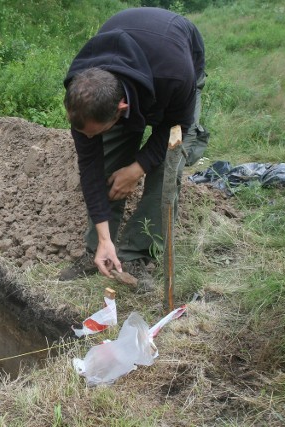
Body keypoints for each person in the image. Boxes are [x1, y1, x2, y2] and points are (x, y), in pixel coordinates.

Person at [59, 7, 208, 287]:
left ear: (120, 109)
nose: (89, 138)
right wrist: (103, 237)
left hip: (174, 61)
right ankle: (99, 249)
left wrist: (137, 168)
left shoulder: (175, 75)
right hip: (133, 61)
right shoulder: (82, 96)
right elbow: (91, 167)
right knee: (110, 164)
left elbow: (177, 127)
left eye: (97, 131)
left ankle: (138, 253)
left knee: (165, 167)